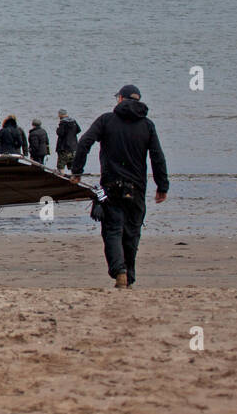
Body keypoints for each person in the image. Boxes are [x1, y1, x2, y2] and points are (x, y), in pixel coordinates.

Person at [70, 85, 169, 289]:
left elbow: (84, 142)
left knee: (113, 230)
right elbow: (157, 156)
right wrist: (162, 185)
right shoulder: (147, 125)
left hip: (110, 186)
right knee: (132, 232)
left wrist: (77, 171)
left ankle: (120, 272)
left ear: (120, 99)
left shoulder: (106, 120)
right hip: (137, 188)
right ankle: (129, 275)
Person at [56, 109, 81, 173]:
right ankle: (73, 179)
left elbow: (60, 133)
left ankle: (62, 179)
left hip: (64, 148)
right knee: (72, 166)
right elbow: (79, 130)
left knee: (61, 166)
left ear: (60, 115)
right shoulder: (73, 121)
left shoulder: (63, 123)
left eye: (59, 114)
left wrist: (57, 129)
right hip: (74, 147)